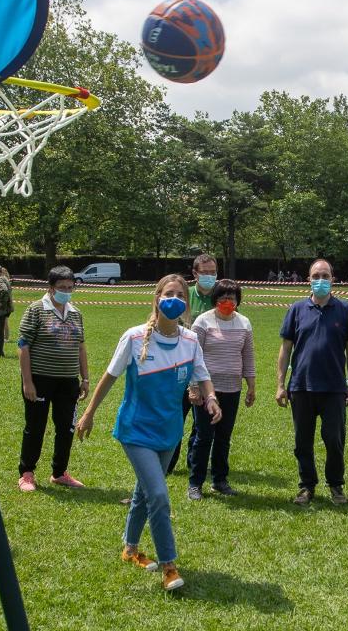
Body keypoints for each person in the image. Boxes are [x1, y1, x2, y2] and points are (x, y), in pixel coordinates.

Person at [75, 274, 220, 593]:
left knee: (144, 491)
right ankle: (169, 565)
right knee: (158, 495)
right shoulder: (134, 337)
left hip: (169, 432)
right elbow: (109, 377)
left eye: (180, 295)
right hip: (136, 430)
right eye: (168, 293)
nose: (175, 299)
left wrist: (210, 398)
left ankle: (129, 548)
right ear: (156, 298)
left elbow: (203, 375)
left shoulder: (190, 340)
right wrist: (88, 413)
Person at [276, 259, 348, 505]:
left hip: (334, 388)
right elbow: (285, 349)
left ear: (333, 279)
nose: (320, 280)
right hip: (301, 386)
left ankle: (336, 485)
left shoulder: (344, 309)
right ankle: (307, 486)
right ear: (308, 279)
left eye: (325, 275)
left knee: (334, 440)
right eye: (315, 275)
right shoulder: (296, 309)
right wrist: (281, 384)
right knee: (303, 442)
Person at [17, 266, 89, 491]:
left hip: (68, 381)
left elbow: (80, 347)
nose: (66, 291)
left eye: (70, 287)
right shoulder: (36, 309)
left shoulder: (76, 313)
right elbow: (23, 346)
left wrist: (85, 379)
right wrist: (28, 381)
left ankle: (59, 472)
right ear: (50, 288)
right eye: (61, 287)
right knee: (35, 426)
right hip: (39, 379)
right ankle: (27, 473)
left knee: (66, 427)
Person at [188, 279, 255, 498]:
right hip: (207, 389)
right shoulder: (203, 322)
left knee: (224, 437)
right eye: (223, 297)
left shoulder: (244, 323)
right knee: (204, 436)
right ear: (215, 299)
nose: (227, 301)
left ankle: (220, 480)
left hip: (232, 388)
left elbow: (248, 356)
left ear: (238, 300)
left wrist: (250, 386)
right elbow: (192, 357)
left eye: (232, 297)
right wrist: (194, 387)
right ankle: (195, 483)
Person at [167, 254, 219, 472]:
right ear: (195, 274)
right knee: (176, 417)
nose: (209, 276)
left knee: (203, 424)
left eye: (212, 272)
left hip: (209, 372)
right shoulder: (185, 298)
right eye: (204, 272)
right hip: (181, 369)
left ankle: (194, 462)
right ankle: (168, 462)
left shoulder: (221, 297)